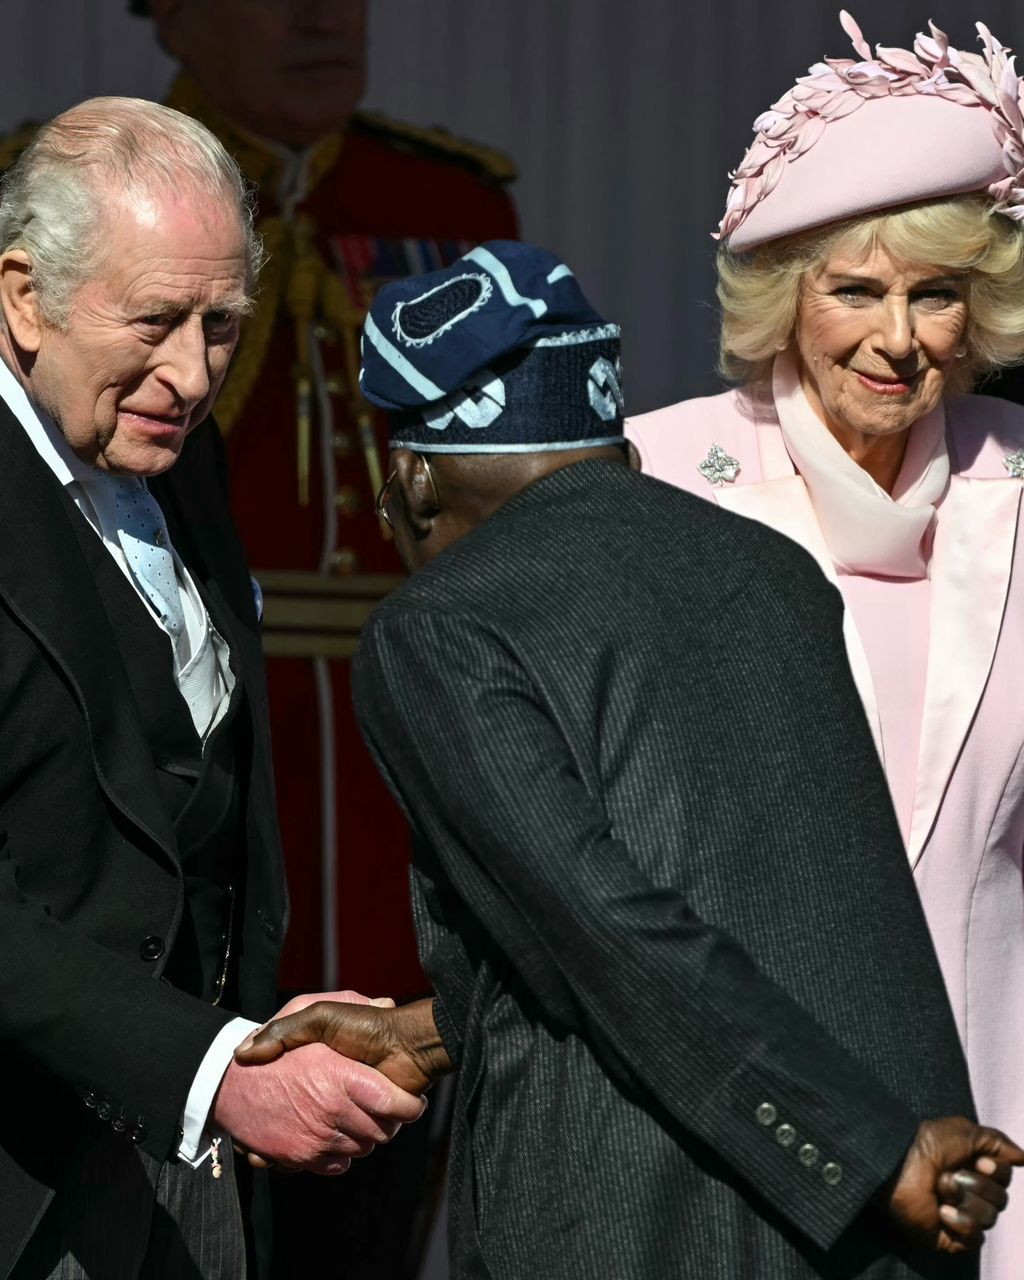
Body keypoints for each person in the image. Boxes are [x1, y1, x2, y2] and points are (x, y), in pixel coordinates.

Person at [237, 241, 1024, 1278]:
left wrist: (869, 1152)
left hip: (655, 1216)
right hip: (883, 1223)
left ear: (415, 479)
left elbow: (605, 928)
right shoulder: (774, 572)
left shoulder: (443, 622)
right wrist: (430, 1033)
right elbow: (725, 905)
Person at [625, 14, 1024, 1279]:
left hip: (993, 1106)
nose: (896, 340)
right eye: (854, 289)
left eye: (935, 294)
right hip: (739, 1135)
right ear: (780, 296)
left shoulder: (1019, 483)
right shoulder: (657, 477)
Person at [0, 97, 425, 1280]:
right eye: (154, 320)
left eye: (222, 323)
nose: (191, 373)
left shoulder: (178, 457)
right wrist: (217, 1069)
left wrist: (254, 1027)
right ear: (23, 295)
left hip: (181, 1182)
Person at [126, 0, 521, 1001]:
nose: (320, 20)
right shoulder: (96, 196)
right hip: (192, 692)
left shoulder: (447, 199)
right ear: (175, 20)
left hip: (409, 697)